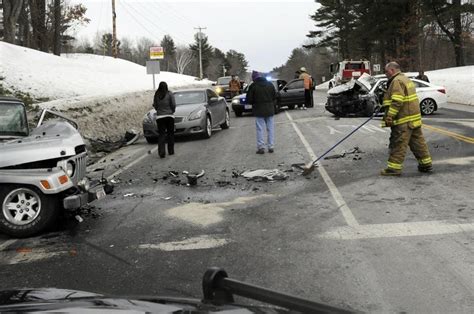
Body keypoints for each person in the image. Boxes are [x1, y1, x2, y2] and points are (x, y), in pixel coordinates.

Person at [380, 62, 432, 176]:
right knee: (418, 143)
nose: (385, 74)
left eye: (386, 71)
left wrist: (390, 116)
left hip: (404, 120)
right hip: (413, 119)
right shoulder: (406, 79)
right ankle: (426, 164)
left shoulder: (396, 81)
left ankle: (394, 168)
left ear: (392, 70)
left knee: (398, 143)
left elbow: (397, 100)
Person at [247, 71, 276, 154]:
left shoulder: (253, 86)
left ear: (253, 78)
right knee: (270, 129)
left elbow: (249, 99)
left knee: (260, 129)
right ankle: (271, 146)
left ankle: (261, 147)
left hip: (258, 109)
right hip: (270, 109)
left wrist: (253, 103)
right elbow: (274, 96)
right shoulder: (270, 84)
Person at [153, 81, 176, 158]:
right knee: (170, 134)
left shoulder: (157, 94)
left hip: (160, 117)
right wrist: (172, 111)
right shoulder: (169, 94)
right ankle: (171, 151)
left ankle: (162, 152)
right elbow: (173, 104)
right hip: (169, 116)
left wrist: (159, 110)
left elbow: (155, 105)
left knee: (161, 135)